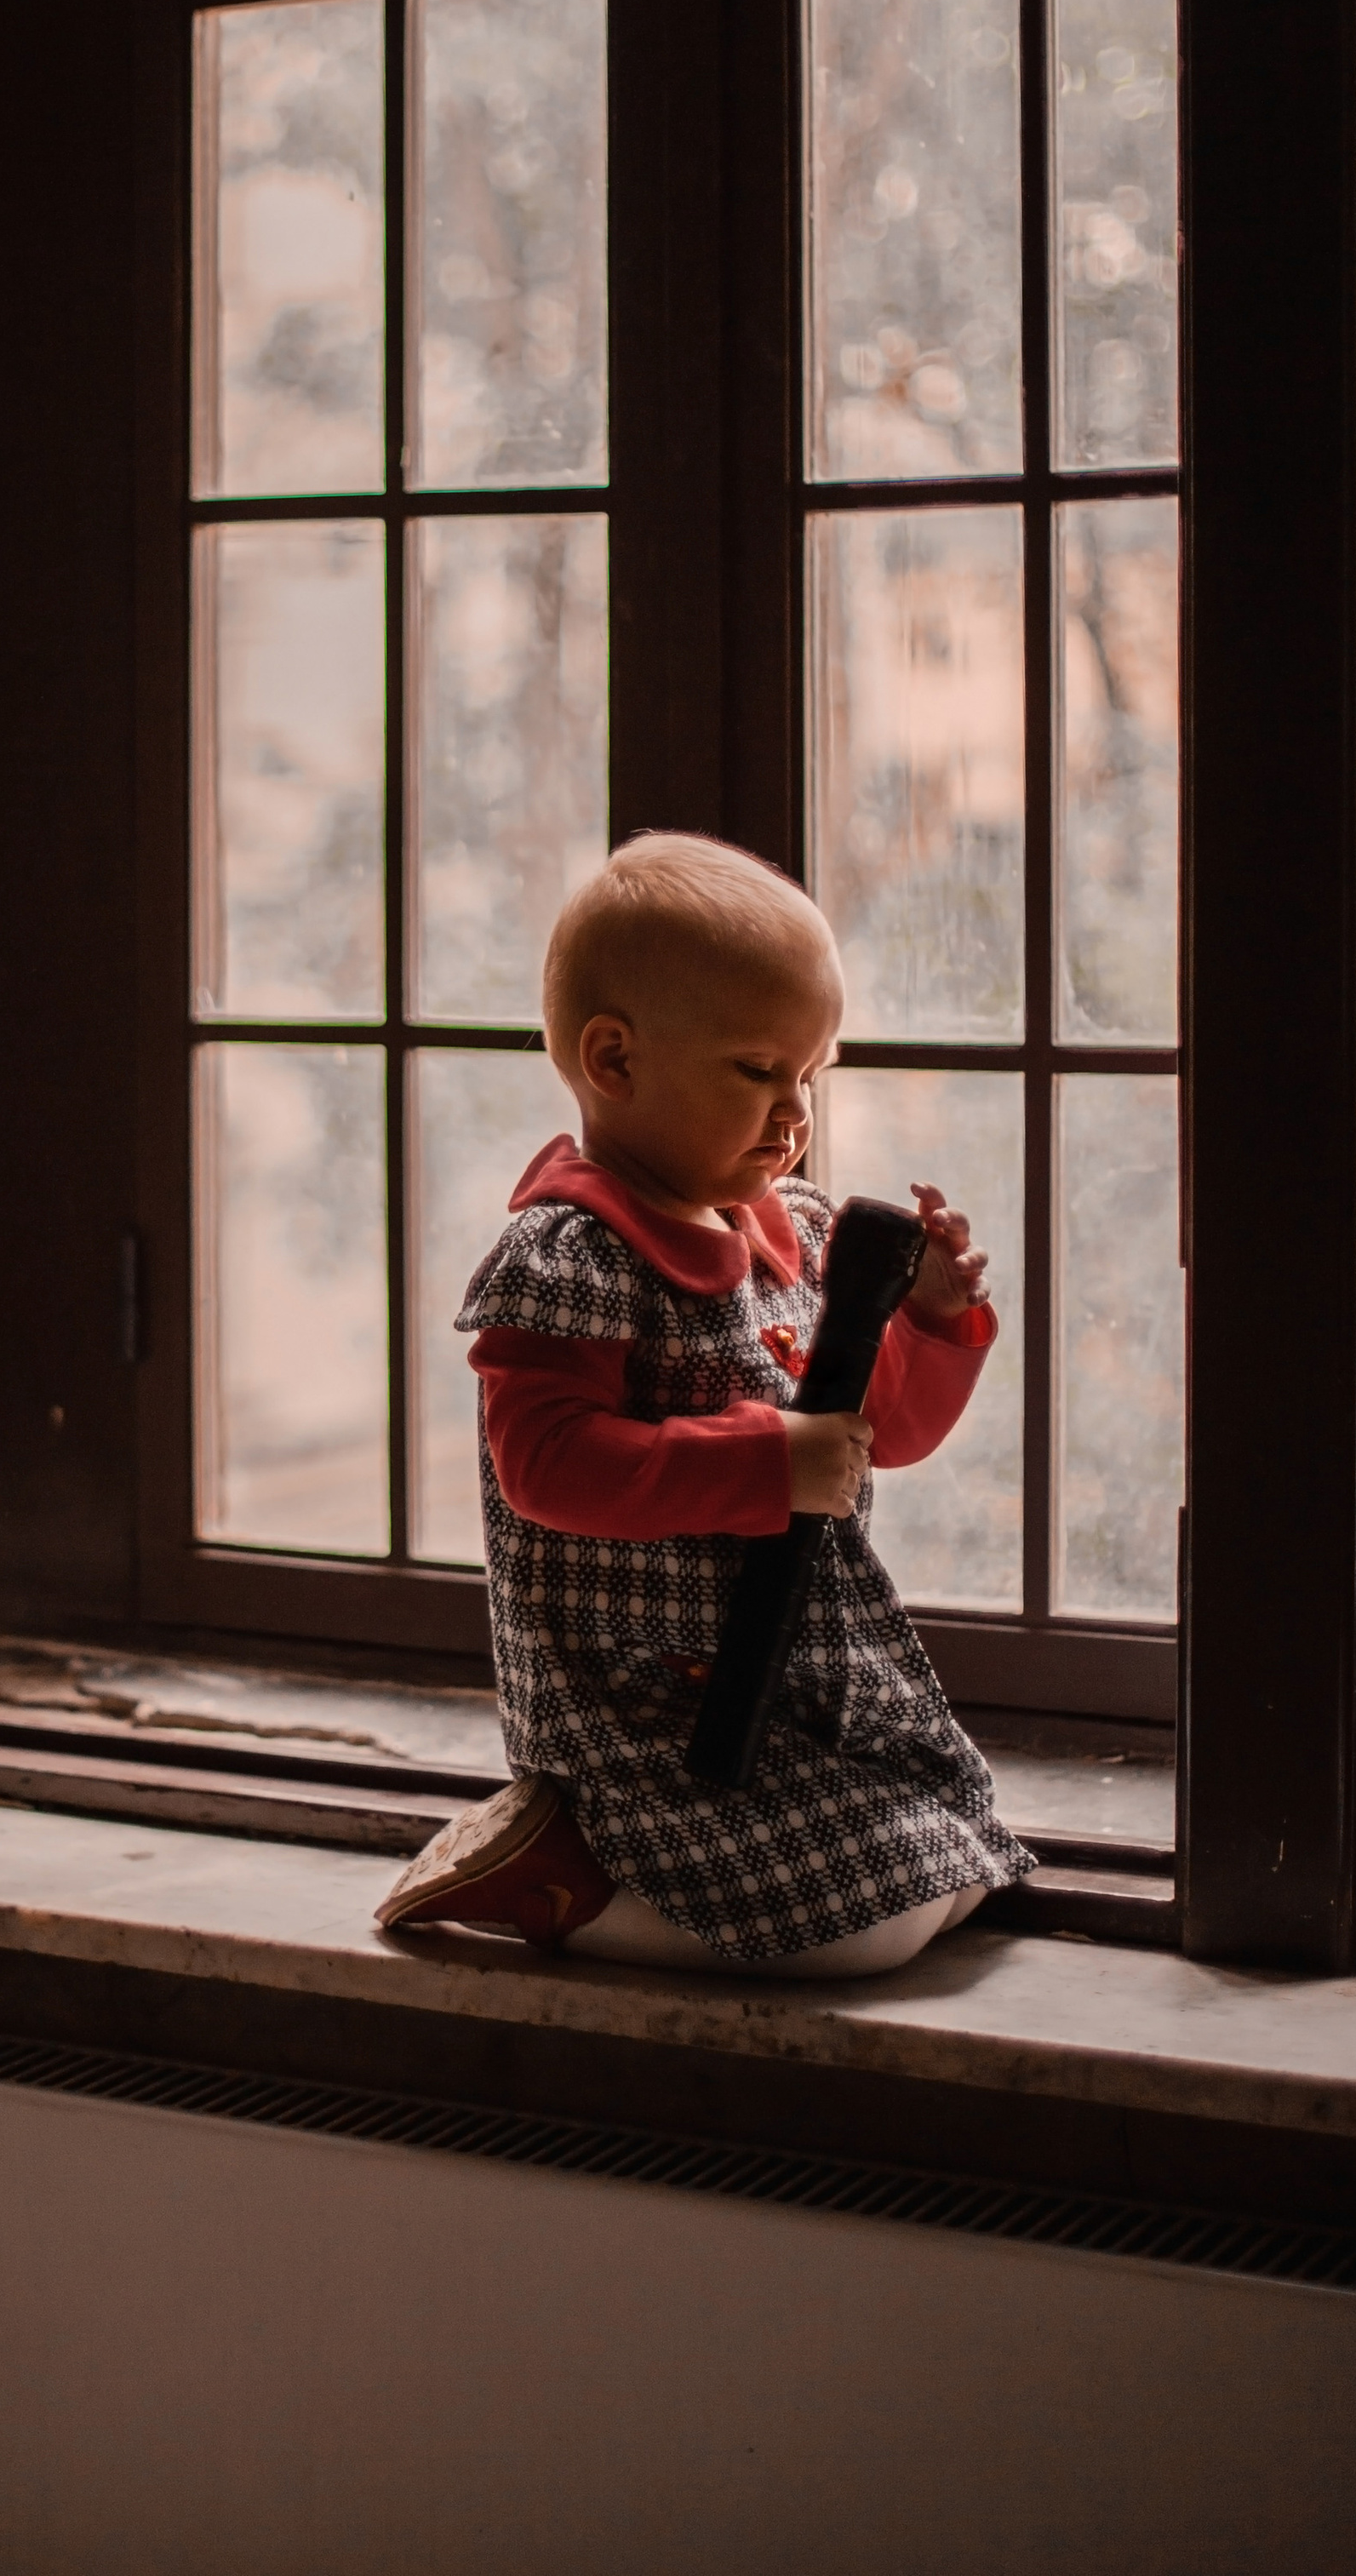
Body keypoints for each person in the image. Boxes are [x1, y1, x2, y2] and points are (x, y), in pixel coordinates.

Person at [377, 832, 1033, 1978]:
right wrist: (766, 1462)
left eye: (809, 1075)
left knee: (962, 1864)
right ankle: (564, 1880)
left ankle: (654, 1888)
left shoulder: (800, 1235)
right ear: (615, 1060)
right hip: (648, 1707)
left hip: (796, 1673)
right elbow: (548, 1467)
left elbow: (879, 1438)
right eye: (757, 1071)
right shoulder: (573, 1257)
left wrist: (929, 1323)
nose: (794, 1113)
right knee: (861, 1934)